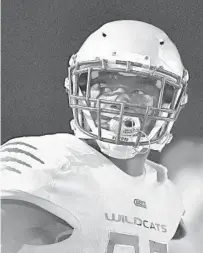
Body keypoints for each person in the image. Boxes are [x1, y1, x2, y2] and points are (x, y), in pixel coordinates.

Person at [1, 20, 189, 253]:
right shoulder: (46, 166)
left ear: (172, 102)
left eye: (141, 90)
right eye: (105, 85)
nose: (120, 100)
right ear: (78, 88)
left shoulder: (166, 194)